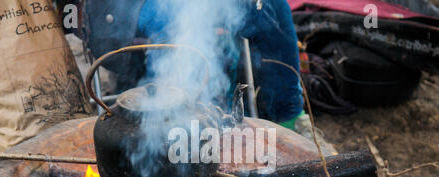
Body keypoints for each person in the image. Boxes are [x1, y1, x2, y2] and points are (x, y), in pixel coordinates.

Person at [61, 0, 307, 130]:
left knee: (271, 4)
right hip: (122, 6)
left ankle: (289, 116)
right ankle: (178, 128)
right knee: (177, 15)